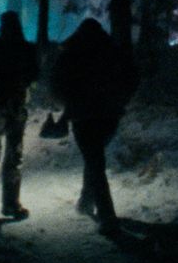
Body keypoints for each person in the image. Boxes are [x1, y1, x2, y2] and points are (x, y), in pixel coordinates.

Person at [52, 17, 138, 235]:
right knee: (94, 158)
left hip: (83, 115)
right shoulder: (113, 52)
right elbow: (132, 77)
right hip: (109, 115)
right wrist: (121, 100)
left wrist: (67, 104)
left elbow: (57, 82)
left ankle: (107, 215)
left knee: (94, 161)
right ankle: (86, 201)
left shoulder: (72, 53)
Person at [0, 11, 39, 217]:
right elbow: (34, 75)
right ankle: (10, 203)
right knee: (14, 154)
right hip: (16, 106)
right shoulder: (26, 49)